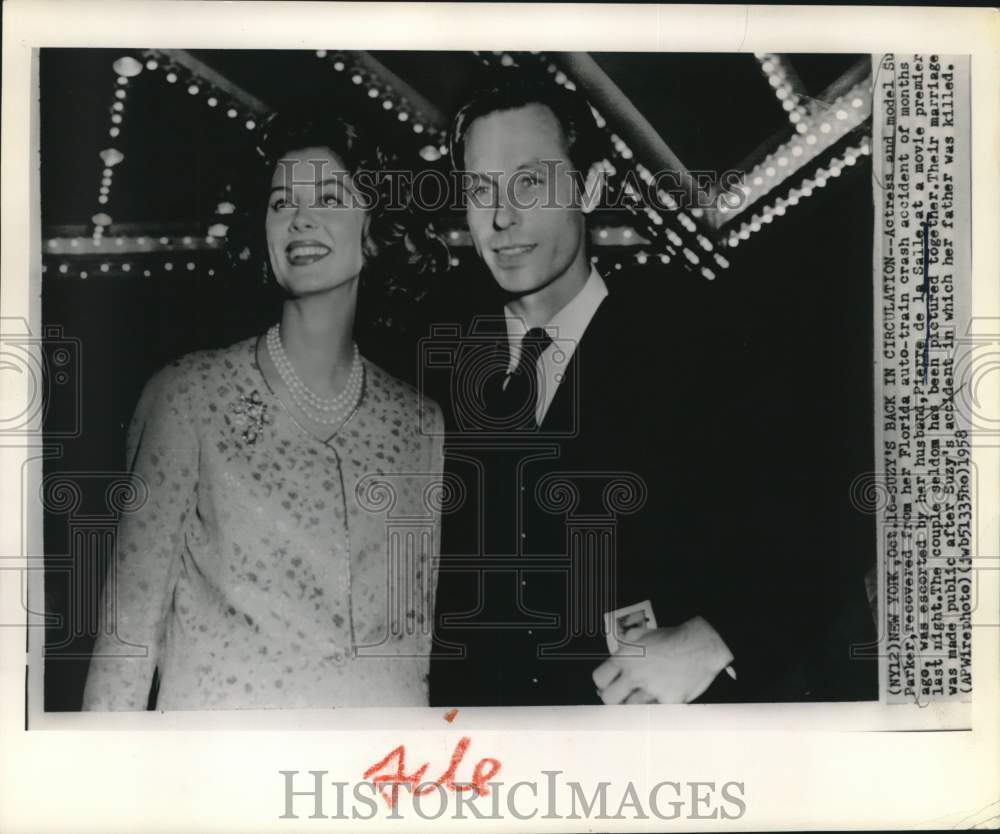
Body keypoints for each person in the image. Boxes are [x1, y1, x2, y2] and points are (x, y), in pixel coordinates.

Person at [428, 78, 876, 707]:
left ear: (590, 186)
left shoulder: (704, 342)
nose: (501, 217)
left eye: (530, 182)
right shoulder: (434, 369)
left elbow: (831, 513)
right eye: (481, 190)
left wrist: (719, 637)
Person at [83, 113, 444, 710]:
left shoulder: (418, 424)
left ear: (375, 225)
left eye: (329, 197)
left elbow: (411, 648)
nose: (300, 218)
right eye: (282, 203)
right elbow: (126, 638)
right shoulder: (191, 394)